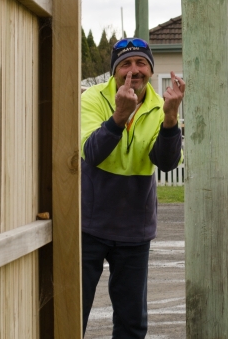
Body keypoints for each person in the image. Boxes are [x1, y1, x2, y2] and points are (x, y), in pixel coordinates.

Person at [80, 37, 185, 338]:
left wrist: (170, 118)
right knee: (74, 312)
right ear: (114, 70)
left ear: (150, 69)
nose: (134, 70)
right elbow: (91, 152)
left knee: (131, 322)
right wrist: (118, 116)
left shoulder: (160, 104)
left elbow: (165, 162)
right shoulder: (92, 98)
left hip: (134, 230)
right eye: (125, 63)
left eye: (141, 63)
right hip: (89, 225)